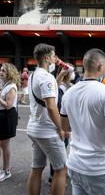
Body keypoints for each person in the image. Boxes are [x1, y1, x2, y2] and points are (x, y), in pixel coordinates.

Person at [60, 48, 105, 195]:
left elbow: (65, 126)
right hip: (101, 169)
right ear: (100, 67)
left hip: (75, 165)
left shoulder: (68, 93)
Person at [26, 43, 68, 195]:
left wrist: (60, 75)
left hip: (34, 127)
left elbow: (49, 92)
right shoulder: (46, 77)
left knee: (37, 168)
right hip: (47, 130)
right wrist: (60, 128)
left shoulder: (34, 75)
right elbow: (51, 106)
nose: (55, 59)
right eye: (53, 56)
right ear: (46, 58)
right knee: (61, 169)